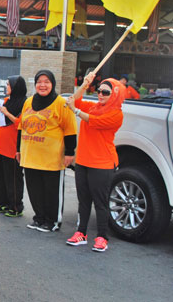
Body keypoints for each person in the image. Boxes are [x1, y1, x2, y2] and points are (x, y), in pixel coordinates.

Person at [65, 73, 125, 252]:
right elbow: (73, 100)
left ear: (115, 94)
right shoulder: (93, 106)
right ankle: (81, 233)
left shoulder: (116, 114)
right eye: (99, 91)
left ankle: (101, 237)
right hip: (83, 160)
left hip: (102, 163)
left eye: (105, 92)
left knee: (100, 202)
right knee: (83, 200)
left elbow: (94, 121)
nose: (100, 94)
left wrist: (75, 111)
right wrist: (84, 84)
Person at [17, 70, 77, 232]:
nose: (42, 85)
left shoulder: (61, 103)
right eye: (39, 82)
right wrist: (18, 150)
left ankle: (52, 221)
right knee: (34, 190)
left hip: (52, 158)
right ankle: (39, 217)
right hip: (30, 156)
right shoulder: (28, 102)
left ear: (52, 84)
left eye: (46, 82)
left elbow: (70, 130)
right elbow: (20, 127)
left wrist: (69, 153)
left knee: (51, 192)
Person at [0, 75, 27, 217]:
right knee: (0, 177)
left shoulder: (25, 103)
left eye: (8, 84)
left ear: (16, 87)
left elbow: (21, 123)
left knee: (13, 178)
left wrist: (6, 113)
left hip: (13, 147)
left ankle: (16, 206)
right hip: (0, 146)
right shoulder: (7, 101)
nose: (6, 87)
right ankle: (4, 203)